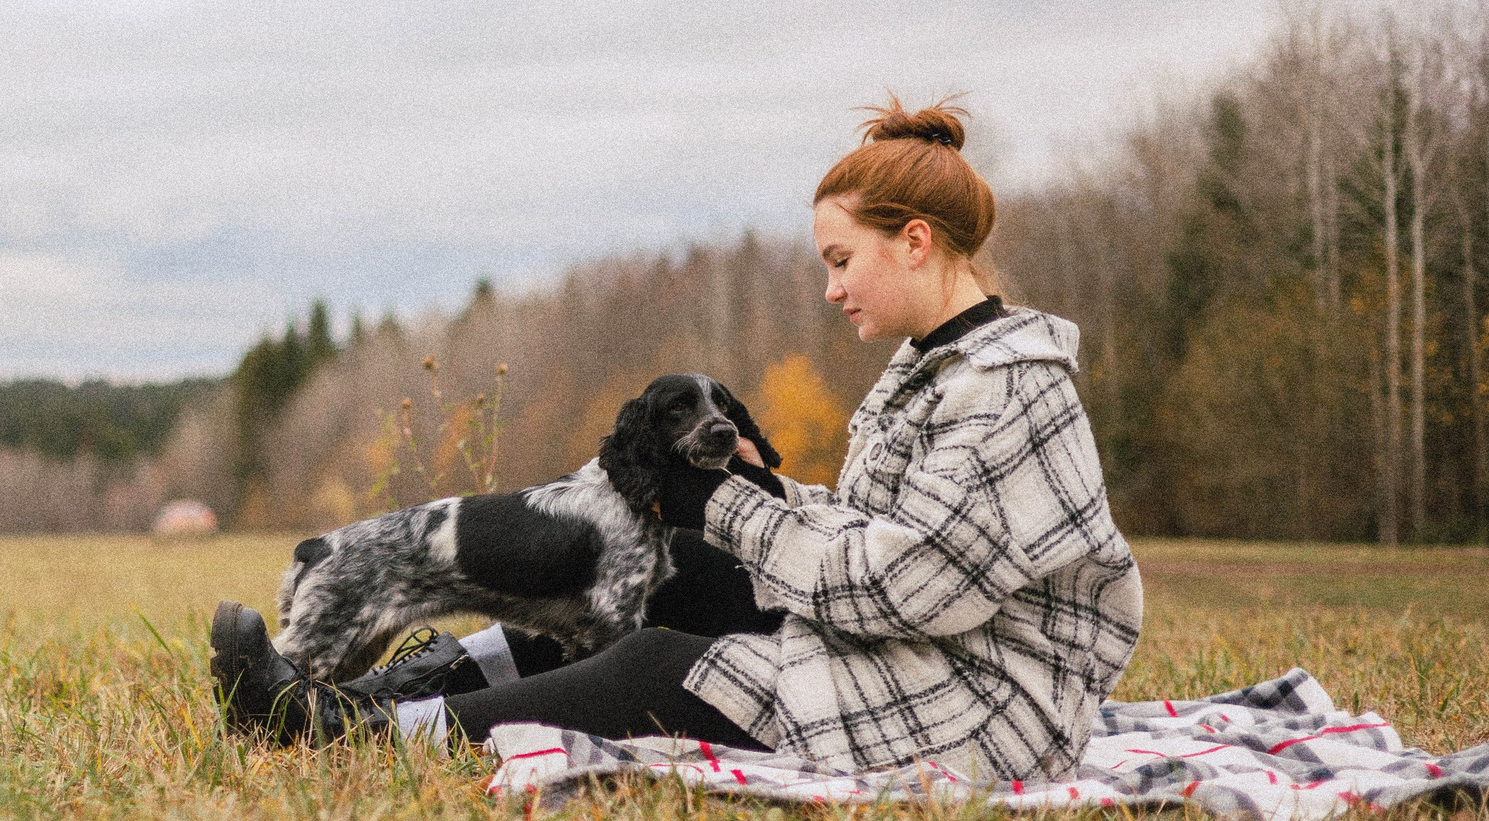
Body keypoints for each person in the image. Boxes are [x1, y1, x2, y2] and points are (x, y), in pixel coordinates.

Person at [210, 99, 1144, 782]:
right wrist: (748, 499)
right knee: (659, 565)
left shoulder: (1007, 387)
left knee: (657, 665)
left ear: (912, 242)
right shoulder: (933, 367)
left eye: (840, 261)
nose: (832, 289)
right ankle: (377, 693)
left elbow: (910, 586)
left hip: (986, 701)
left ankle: (354, 735)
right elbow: (879, 528)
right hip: (928, 644)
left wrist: (726, 504)